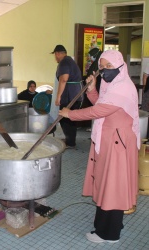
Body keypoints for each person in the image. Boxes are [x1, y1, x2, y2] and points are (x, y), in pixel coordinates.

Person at [59, 50, 140, 243]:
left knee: (113, 186)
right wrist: (91, 89)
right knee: (109, 183)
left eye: (108, 66)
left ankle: (108, 234)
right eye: (101, 67)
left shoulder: (123, 87)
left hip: (117, 143)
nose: (104, 71)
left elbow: (99, 110)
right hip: (109, 138)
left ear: (120, 66)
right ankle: (111, 224)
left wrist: (71, 114)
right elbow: (101, 104)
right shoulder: (112, 84)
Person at [51, 44, 83, 148]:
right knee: (70, 118)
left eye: (55, 54)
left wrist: (58, 96)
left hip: (70, 96)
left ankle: (70, 142)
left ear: (58, 53)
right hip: (76, 94)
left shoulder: (64, 62)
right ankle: (70, 140)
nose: (55, 57)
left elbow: (63, 79)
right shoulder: (70, 61)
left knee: (66, 119)